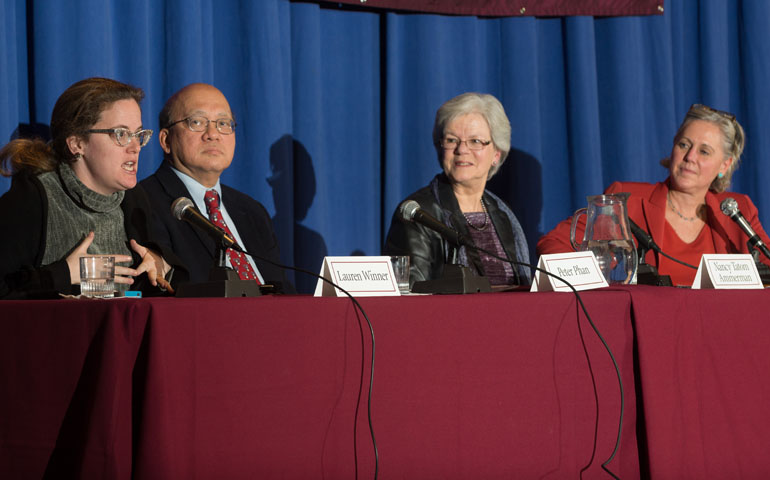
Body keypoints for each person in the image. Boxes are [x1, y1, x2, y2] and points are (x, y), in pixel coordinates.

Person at [537, 103, 770, 286]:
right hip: (650, 330)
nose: (690, 157)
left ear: (724, 165)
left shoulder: (738, 211)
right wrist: (599, 269)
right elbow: (554, 244)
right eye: (683, 145)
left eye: (704, 151)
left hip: (719, 331)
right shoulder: (628, 200)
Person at [0, 77, 179, 299]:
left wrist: (160, 265)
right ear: (77, 144)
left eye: (139, 134)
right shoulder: (32, 199)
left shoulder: (134, 201)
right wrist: (63, 275)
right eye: (121, 134)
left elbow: (150, 292)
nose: (135, 147)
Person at [140, 83, 293, 292]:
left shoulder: (252, 212)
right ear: (166, 140)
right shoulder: (143, 203)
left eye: (223, 123)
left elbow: (283, 291)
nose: (213, 134)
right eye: (197, 122)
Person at [383, 92, 530, 287]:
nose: (462, 150)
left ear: (496, 153)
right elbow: (410, 296)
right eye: (452, 140)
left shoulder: (502, 213)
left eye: (475, 141)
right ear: (440, 147)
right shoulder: (418, 215)